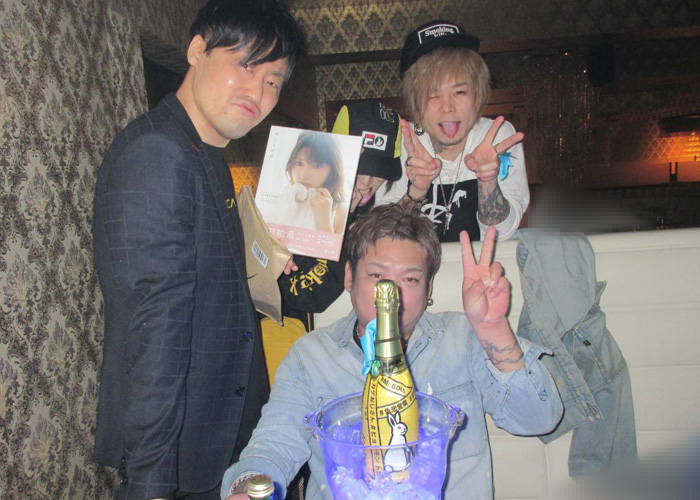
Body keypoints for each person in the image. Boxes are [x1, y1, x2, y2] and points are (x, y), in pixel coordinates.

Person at [91, 1, 303, 499]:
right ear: (196, 50)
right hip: (179, 456)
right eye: (246, 64)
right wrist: (151, 484)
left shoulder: (205, 153)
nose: (258, 92)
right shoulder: (157, 154)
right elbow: (154, 333)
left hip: (220, 436)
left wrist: (261, 258)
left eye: (273, 81)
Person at [221, 203, 563, 500]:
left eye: (410, 279)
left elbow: (538, 419)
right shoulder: (310, 357)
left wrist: (493, 328)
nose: (391, 291)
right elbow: (273, 446)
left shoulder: (464, 338)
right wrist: (249, 489)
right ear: (349, 277)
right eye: (377, 274)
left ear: (428, 288)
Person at [375, 20, 530, 242]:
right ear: (414, 101)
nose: (447, 107)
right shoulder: (402, 142)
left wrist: (488, 180)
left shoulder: (497, 138)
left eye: (459, 92)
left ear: (477, 94)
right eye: (433, 94)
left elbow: (501, 235)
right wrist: (416, 191)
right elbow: (383, 239)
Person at [262, 131, 348, 233]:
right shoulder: (281, 200)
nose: (304, 175)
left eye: (317, 165)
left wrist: (323, 221)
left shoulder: (340, 211)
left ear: (333, 169)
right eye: (298, 163)